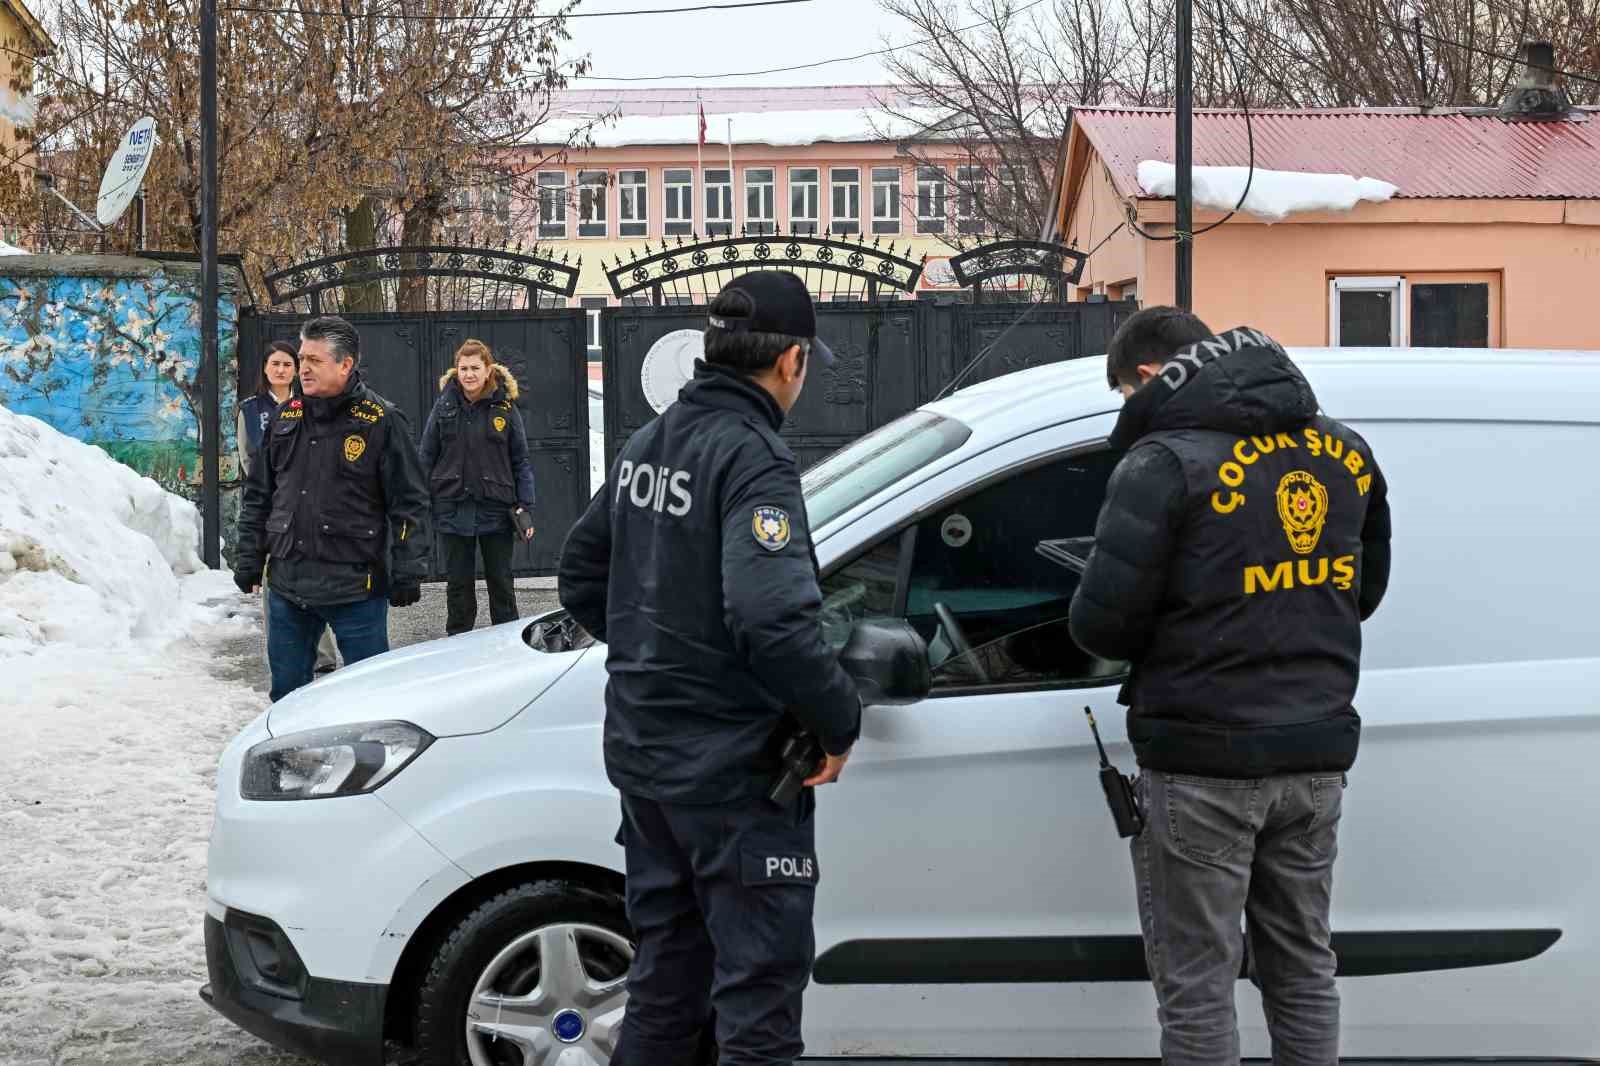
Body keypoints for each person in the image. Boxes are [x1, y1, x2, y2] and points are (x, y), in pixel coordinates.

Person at [1067, 308, 1392, 1066]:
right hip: (1313, 755)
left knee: (1197, 984)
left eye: (1125, 394)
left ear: (1149, 376)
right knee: (1304, 969)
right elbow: (1361, 593)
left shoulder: (1163, 464)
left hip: (1201, 762)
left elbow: (1102, 628)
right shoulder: (1345, 452)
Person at [557, 270, 862, 1066]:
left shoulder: (652, 441)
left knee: (665, 990)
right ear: (792, 361)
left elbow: (582, 576)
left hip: (648, 765)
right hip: (735, 782)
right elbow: (772, 619)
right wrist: (837, 720)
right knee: (756, 1011)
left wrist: (658, 656)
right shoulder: (755, 459)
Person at [233, 315, 432, 702]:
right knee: (287, 696)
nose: (302, 368)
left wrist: (409, 568)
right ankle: (292, 762)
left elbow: (409, 502)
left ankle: (367, 763)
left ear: (345, 364)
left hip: (355, 586)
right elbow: (260, 494)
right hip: (289, 584)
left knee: (368, 697)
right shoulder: (284, 417)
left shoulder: (381, 421)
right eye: (302, 358)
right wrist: (249, 556)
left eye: (314, 360)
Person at [419, 339, 536, 636]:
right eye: (463, 368)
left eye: (475, 368)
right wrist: (419, 497)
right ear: (456, 371)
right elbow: (427, 454)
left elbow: (520, 458)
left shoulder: (505, 408)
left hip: (496, 508)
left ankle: (509, 640)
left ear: (488, 371)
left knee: (501, 580)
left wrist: (525, 503)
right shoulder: (443, 405)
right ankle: (458, 639)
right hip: (452, 506)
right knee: (458, 583)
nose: (468, 374)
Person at [236, 340, 338, 677]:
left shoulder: (310, 405)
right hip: (272, 504)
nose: (281, 370)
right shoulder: (250, 409)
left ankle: (322, 654)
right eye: (275, 364)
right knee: (275, 582)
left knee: (313, 575)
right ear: (265, 369)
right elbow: (249, 459)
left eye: (287, 364)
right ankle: (283, 653)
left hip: (308, 503)